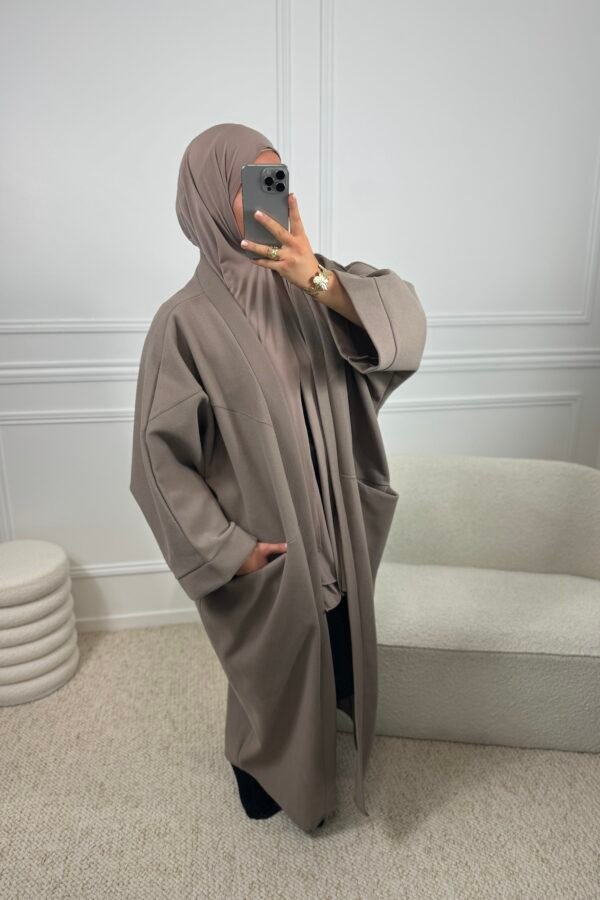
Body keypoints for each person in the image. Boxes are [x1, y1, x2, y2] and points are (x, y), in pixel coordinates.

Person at [130, 122, 427, 833]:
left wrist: (317, 279)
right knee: (275, 668)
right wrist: (229, 550)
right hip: (270, 539)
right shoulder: (183, 324)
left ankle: (320, 737)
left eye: (278, 176)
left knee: (340, 649)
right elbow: (158, 461)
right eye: (252, 181)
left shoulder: (312, 288)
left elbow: (404, 326)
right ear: (209, 198)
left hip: (337, 522)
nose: (274, 193)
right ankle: (260, 759)